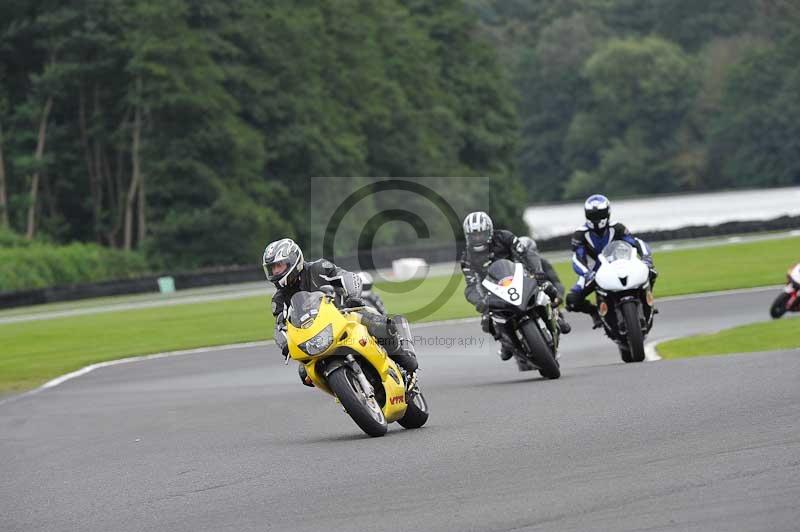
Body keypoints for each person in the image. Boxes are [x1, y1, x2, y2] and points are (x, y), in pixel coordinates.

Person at [263, 238, 418, 387]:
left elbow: (349, 277)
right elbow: (280, 326)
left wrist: (353, 297)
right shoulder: (278, 299)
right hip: (315, 336)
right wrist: (285, 344)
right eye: (272, 268)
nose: (275, 271)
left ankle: (404, 357)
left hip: (345, 315)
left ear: (293, 260)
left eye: (279, 266)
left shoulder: (318, 268)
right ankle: (348, 391)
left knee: (381, 327)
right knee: (305, 374)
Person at [460, 211, 568, 370]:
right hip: (493, 291)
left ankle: (557, 317)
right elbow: (471, 285)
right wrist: (479, 300)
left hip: (518, 278)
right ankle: (506, 342)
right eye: (473, 235)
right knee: (487, 321)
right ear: (467, 236)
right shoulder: (467, 258)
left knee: (548, 288)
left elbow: (527, 254)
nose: (478, 238)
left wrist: (537, 272)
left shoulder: (505, 237)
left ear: (489, 231)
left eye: (481, 234)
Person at [565, 194, 657, 327]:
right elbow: (577, 258)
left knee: (651, 272)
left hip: (622, 264)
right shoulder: (580, 234)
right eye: (592, 215)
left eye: (600, 214)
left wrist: (646, 258)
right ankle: (594, 312)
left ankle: (647, 302)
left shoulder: (617, 227)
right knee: (572, 300)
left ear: (607, 213)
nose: (596, 219)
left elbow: (636, 242)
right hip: (594, 270)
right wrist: (587, 273)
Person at [518, 236, 571, 334]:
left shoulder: (543, 263)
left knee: (564, 327)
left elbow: (556, 282)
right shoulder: (515, 267)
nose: (530, 256)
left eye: (532, 252)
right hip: (523, 297)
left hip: (543, 295)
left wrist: (558, 296)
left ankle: (557, 318)